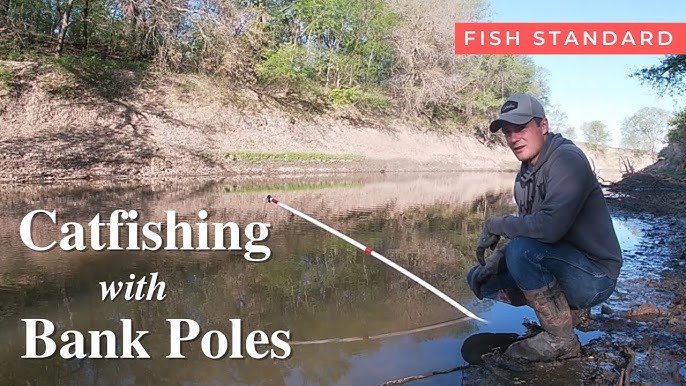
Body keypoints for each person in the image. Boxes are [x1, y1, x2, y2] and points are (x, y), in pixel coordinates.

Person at [466, 92, 623, 364]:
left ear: (543, 126)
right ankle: (562, 313)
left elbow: (548, 229)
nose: (513, 138)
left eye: (521, 128)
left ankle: (560, 338)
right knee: (479, 279)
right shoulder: (524, 174)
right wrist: (498, 258)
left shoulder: (567, 159)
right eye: (507, 132)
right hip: (560, 264)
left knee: (523, 252)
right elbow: (529, 230)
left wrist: (496, 223)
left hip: (595, 277)